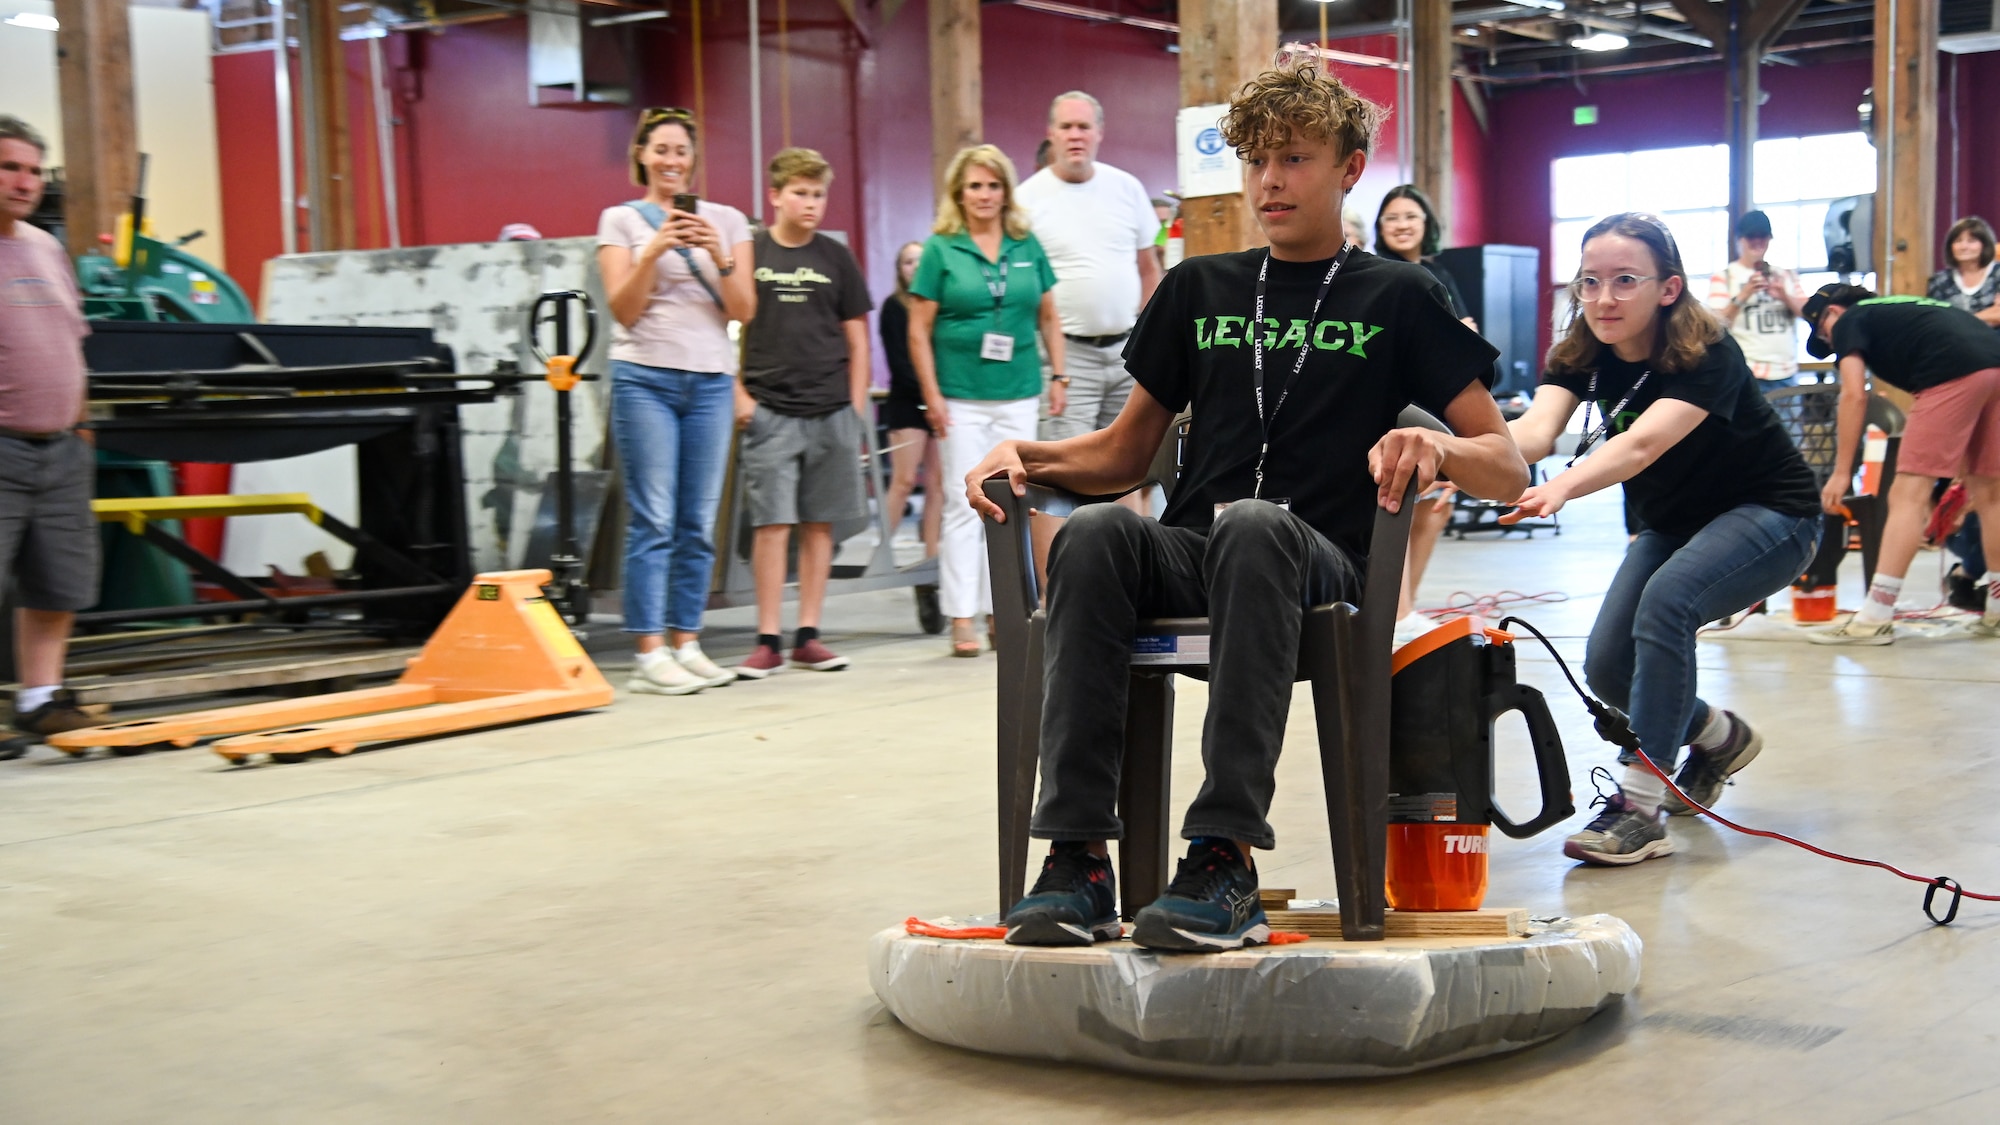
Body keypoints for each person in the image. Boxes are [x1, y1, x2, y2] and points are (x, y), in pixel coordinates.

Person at [972, 63, 1525, 951]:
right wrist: (1022, 454)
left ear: (1349, 168)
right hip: (1200, 547)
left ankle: (1224, 858)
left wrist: (1439, 447)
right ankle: (1078, 859)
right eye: (1258, 161)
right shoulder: (1199, 287)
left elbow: (1507, 463)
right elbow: (1119, 455)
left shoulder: (1400, 296)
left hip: (1319, 562)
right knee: (1097, 533)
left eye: (1295, 159)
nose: (1269, 181)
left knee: (1256, 525)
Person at [1507, 213, 1823, 865]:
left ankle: (1641, 805)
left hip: (1774, 514)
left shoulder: (1708, 352)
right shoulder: (1581, 348)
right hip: (1676, 523)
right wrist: (1451, 454)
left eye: (1625, 281)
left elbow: (1641, 443)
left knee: (1669, 601)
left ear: (1669, 288)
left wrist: (1562, 487)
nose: (1603, 298)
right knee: (1607, 664)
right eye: (1589, 282)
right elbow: (1534, 433)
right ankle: (1717, 733)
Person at [596, 107, 756, 695]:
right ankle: (648, 649)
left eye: (681, 151)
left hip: (710, 380)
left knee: (697, 520)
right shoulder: (619, 220)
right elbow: (623, 309)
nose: (671, 161)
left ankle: (687, 639)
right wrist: (652, 249)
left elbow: (744, 310)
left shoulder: (728, 219)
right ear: (642, 154)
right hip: (645, 378)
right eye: (660, 149)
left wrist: (721, 253)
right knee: (654, 517)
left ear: (693, 160)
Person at [907, 145, 1064, 658]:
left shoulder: (1025, 243)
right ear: (960, 192)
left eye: (993, 185)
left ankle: (1006, 611)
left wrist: (1058, 373)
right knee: (962, 503)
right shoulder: (940, 248)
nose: (984, 195)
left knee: (1015, 502)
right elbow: (917, 329)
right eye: (974, 185)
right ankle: (961, 616)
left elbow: (1047, 316)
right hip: (960, 396)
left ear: (1005, 191)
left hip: (1018, 391)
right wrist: (931, 395)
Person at [733, 148, 873, 677]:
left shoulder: (836, 258)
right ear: (775, 195)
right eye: (800, 193)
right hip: (770, 408)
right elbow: (729, 326)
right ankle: (767, 637)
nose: (811, 203)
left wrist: (855, 410)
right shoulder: (753, 250)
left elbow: (857, 340)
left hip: (831, 409)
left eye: (818, 194)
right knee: (772, 524)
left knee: (819, 525)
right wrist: (739, 395)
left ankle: (808, 635)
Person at [1802, 286, 2000, 643]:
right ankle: (1998, 614)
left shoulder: (1852, 319)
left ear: (1833, 311)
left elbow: (1853, 394)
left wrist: (1843, 472)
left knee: (1907, 494)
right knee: (1992, 496)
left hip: (1948, 372)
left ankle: (1874, 617)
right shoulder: (1903, 308)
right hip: (1994, 363)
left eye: (1824, 334)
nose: (1832, 344)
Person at [0, 116, 99, 755]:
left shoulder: (45, 247)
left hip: (60, 446)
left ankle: (40, 699)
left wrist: (81, 424)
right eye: (11, 167)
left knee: (57, 583)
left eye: (35, 169)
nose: (25, 181)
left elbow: (73, 339)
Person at [1016, 91, 1164, 475]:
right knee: (1064, 472)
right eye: (1066, 127)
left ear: (1100, 132)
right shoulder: (1025, 200)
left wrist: (1147, 338)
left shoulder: (1127, 189)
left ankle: (1131, 539)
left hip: (1126, 352)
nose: (1075, 135)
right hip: (1066, 357)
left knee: (1131, 470)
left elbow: (1149, 268)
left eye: (1084, 127)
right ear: (1051, 134)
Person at [1372, 184, 1478, 642]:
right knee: (1398, 509)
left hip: (1439, 404)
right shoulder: (1375, 273)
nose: (1401, 225)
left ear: (1426, 225)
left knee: (1435, 508)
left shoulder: (1440, 274)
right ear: (1380, 226)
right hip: (1393, 405)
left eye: (1410, 216)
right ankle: (1394, 614)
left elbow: (1468, 334)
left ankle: (1403, 613)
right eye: (1392, 217)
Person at [878, 241, 942, 560]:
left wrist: (939, 397)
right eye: (907, 262)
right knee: (903, 482)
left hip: (940, 403)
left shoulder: (939, 305)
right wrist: (928, 395)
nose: (915, 267)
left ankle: (931, 557)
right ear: (899, 270)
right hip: (908, 404)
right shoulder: (893, 307)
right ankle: (883, 554)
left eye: (920, 261)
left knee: (937, 484)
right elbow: (901, 363)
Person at [1705, 210, 1808, 387]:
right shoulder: (1725, 277)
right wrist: (1744, 294)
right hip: (1747, 372)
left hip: (1787, 372)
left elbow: (1808, 313)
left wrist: (1784, 296)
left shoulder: (1786, 275)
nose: (1758, 241)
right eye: (1751, 236)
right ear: (1740, 239)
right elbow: (1715, 325)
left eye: (1763, 236)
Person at [1926, 216, 2000, 324]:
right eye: (1958, 241)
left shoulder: (1997, 274)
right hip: (1951, 339)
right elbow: (1935, 320)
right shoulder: (1939, 281)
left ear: (1985, 245)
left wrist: (1958, 320)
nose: (1963, 246)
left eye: (1972, 241)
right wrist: (1986, 315)